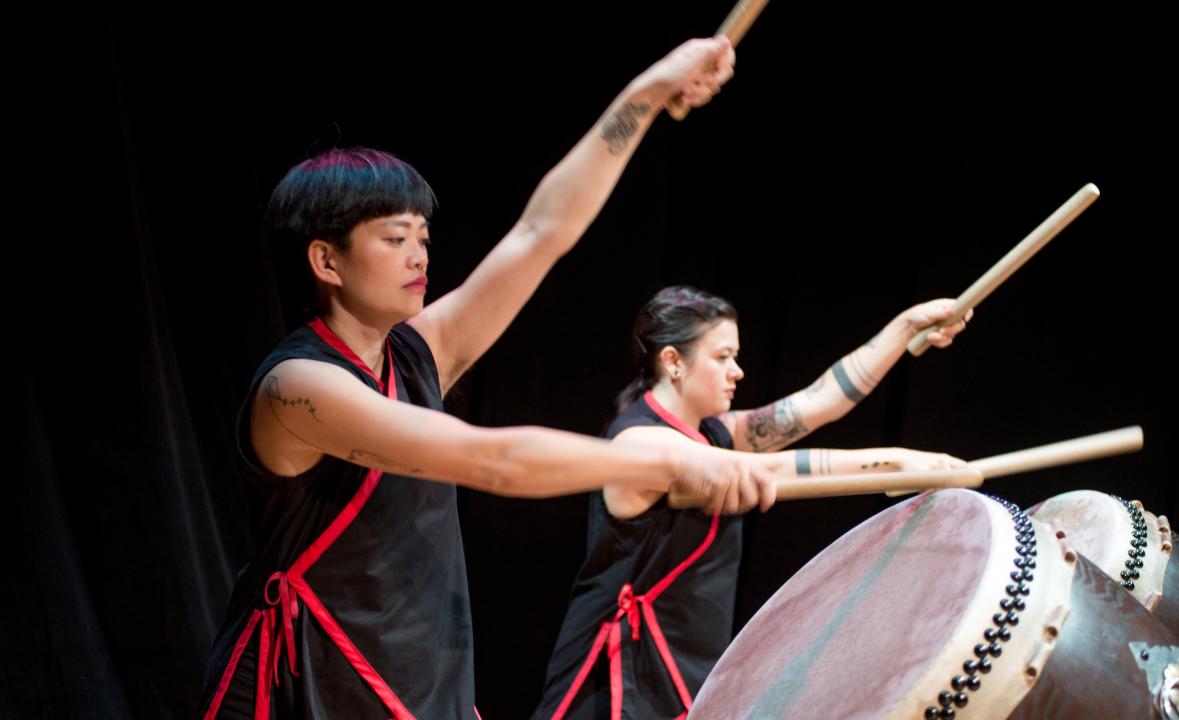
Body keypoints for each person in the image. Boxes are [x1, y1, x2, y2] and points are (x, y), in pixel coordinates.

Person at [196, 36, 778, 720]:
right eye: (393, 239)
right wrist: (669, 463)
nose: (418, 256)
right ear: (326, 261)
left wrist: (648, 92)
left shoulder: (415, 353)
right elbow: (492, 460)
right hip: (309, 686)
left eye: (423, 238)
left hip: (411, 676)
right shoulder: (300, 389)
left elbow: (542, 232)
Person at [533, 285, 971, 720]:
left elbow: (819, 403)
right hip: (619, 677)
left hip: (681, 667)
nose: (737, 371)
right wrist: (895, 462)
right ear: (673, 362)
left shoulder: (711, 434)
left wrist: (905, 327)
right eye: (722, 357)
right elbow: (759, 471)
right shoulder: (638, 441)